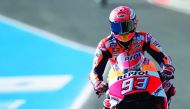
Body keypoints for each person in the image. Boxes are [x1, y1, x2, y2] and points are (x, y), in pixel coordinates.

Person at [89, 6, 176, 109]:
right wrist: (98, 83)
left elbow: (162, 56)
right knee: (107, 103)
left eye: (126, 26)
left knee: (168, 86)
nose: (123, 32)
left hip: (144, 73)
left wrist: (168, 68)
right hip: (118, 78)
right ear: (111, 27)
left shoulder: (144, 37)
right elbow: (95, 71)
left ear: (135, 23)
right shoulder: (105, 44)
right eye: (118, 27)